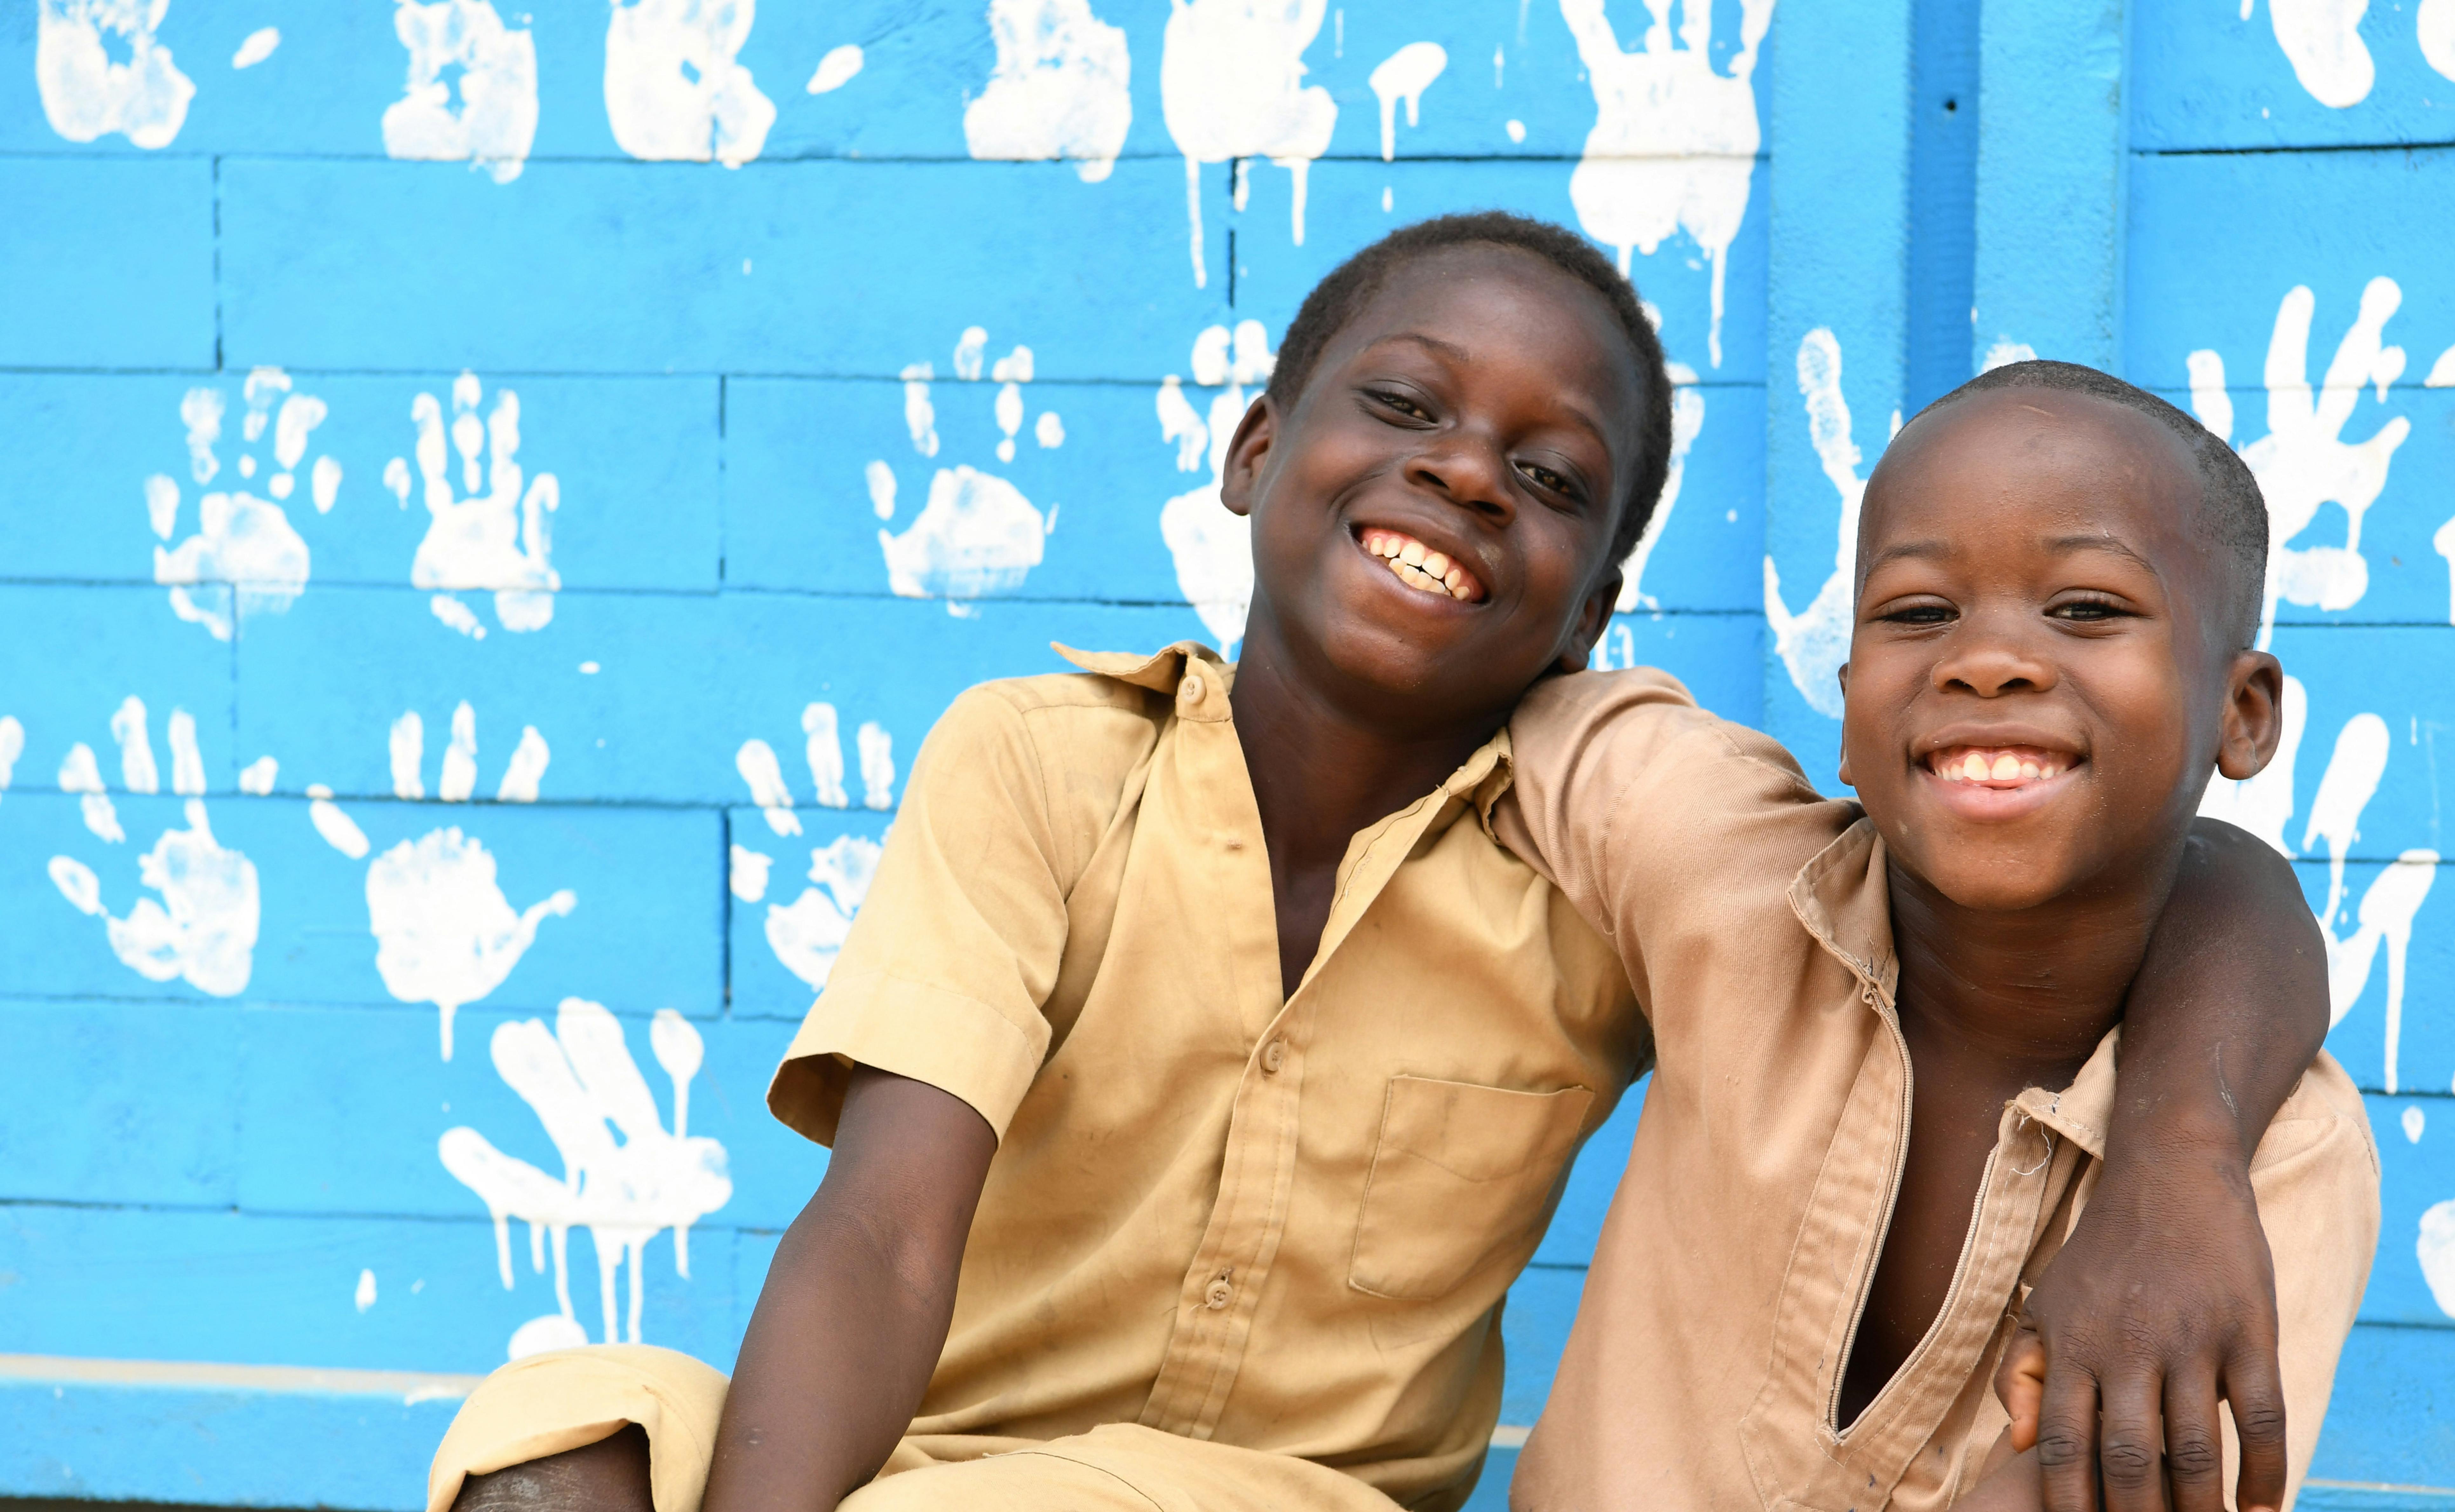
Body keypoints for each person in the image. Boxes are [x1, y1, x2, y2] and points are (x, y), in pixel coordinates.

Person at [426, 222, 2331, 1512]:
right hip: (952, 1457)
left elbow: (2171, 890)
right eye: (1405, 409)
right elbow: (883, 1223)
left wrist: (2176, 1145)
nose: (1465, 477)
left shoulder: (1593, 833)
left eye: (1553, 477)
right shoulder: (1053, 759)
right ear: (1261, 449)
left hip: (1289, 1499)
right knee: (563, 1436)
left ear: (1594, 613)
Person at [1500, 361, 2379, 1512]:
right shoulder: (1723, 874)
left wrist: (2176, 1160)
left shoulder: (2283, 1163)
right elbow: (1495, 696)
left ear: (2243, 712)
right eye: (1918, 614)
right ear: (1852, 694)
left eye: (2089, 609)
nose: (1987, 660)